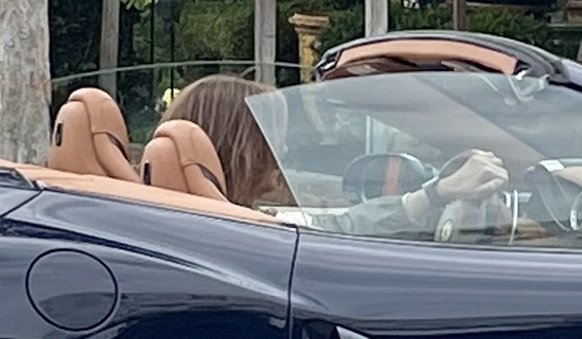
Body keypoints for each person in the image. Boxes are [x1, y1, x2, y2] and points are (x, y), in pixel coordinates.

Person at [157, 73, 506, 233]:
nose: (285, 150)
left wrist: (430, 196)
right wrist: (436, 193)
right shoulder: (234, 233)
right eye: (270, 140)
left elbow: (331, 226)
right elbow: (332, 233)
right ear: (237, 150)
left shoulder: (188, 225)